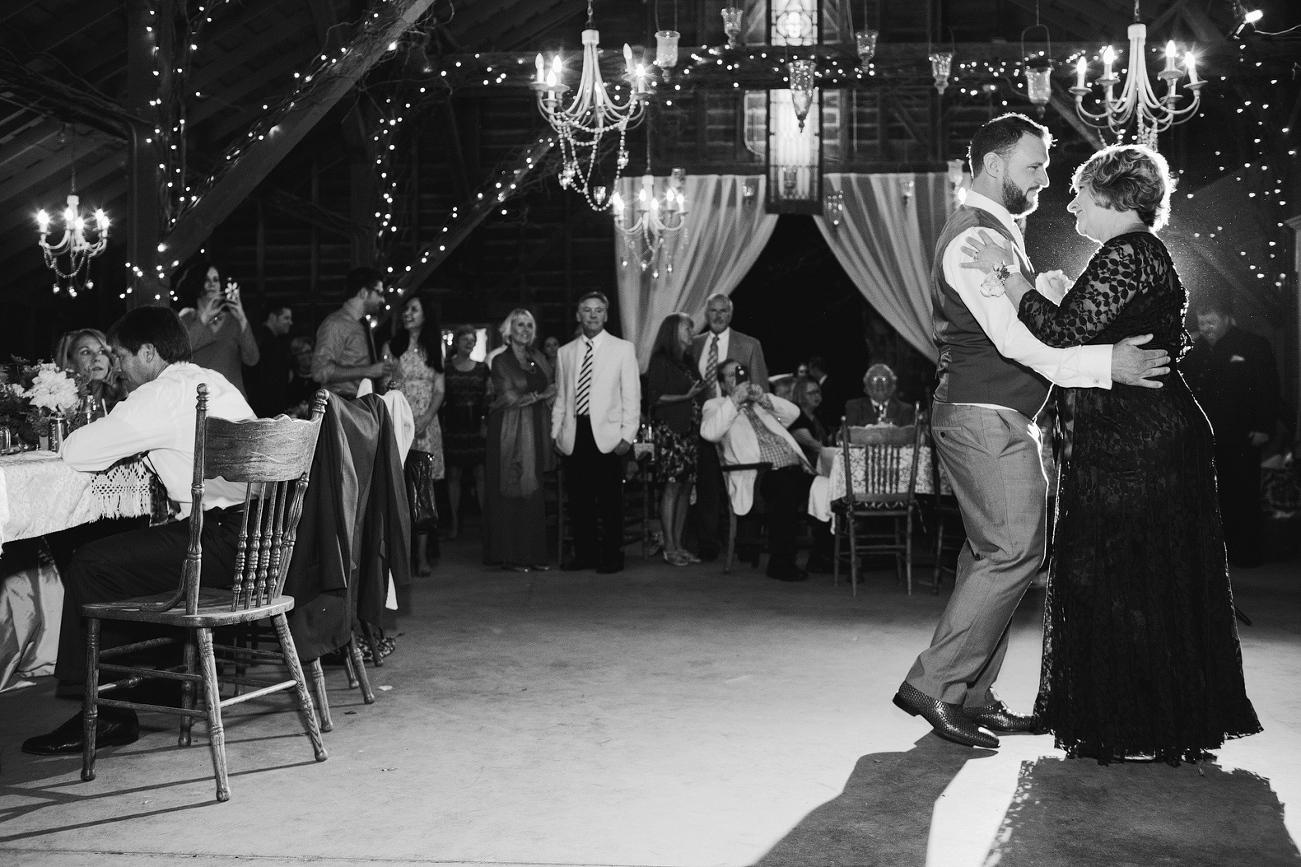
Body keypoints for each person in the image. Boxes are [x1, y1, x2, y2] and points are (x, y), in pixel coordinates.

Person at [961, 143, 1262, 764]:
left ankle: (1134, 723)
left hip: (1137, 443)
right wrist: (1063, 293)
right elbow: (1112, 326)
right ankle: (1156, 716)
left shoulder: (1126, 253)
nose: (1069, 203)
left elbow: (1063, 332)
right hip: (1141, 434)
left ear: (1112, 199)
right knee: (1140, 575)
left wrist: (1008, 273)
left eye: (1079, 193)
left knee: (1122, 576)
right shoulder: (1135, 255)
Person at [892, 113, 1174, 751]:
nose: (1047, 179)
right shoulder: (973, 238)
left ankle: (969, 693)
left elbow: (1023, 320)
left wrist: (1039, 289)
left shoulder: (997, 233)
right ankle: (935, 686)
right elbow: (1018, 343)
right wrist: (1110, 364)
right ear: (993, 165)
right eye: (1034, 166)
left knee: (987, 555)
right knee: (1016, 551)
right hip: (982, 415)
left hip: (994, 414)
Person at [22, 307, 256, 756]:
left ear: (148, 353)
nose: (120, 368)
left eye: (122, 356)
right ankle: (161, 682)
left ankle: (107, 713)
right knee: (126, 554)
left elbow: (77, 451)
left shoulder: (161, 395)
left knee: (91, 563)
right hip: (258, 543)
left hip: (218, 542)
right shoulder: (215, 382)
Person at [701, 360, 827, 582]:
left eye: (741, 375)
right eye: (732, 376)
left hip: (794, 469)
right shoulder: (716, 405)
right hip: (759, 475)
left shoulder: (761, 406)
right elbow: (710, 433)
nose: (738, 380)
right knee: (784, 490)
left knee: (828, 487)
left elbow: (794, 413)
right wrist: (735, 400)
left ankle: (821, 557)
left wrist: (763, 398)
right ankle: (781, 563)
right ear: (722, 384)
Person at [1184, 295, 1281, 567]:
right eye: (1202, 322)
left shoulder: (1253, 345)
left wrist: (1264, 427)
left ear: (1227, 319)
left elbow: (1268, 390)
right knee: (1207, 496)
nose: (1206, 327)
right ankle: (1213, 556)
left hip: (1241, 435)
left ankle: (1246, 554)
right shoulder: (1195, 348)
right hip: (1203, 436)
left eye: (1211, 321)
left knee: (1242, 495)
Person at [552, 292, 640, 574]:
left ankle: (613, 555)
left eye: (598, 310)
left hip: (609, 435)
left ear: (606, 315)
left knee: (610, 500)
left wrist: (628, 434)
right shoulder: (565, 352)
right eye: (587, 310)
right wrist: (556, 433)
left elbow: (632, 396)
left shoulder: (623, 349)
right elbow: (562, 398)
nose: (592, 315)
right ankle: (585, 555)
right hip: (574, 432)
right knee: (579, 500)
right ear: (578, 315)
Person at [692, 293, 770, 562]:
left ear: (731, 313)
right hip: (706, 423)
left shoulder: (748, 345)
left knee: (746, 481)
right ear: (706, 314)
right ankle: (708, 544)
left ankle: (747, 544)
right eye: (712, 311)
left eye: (723, 311)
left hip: (740, 424)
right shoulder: (694, 344)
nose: (717, 316)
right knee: (707, 485)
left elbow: (760, 388)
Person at [484, 309, 555, 571]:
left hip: (535, 427)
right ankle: (511, 555)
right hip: (507, 431)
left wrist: (546, 395)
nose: (524, 330)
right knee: (511, 486)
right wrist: (541, 395)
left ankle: (532, 555)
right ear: (508, 330)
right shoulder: (500, 361)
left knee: (533, 490)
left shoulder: (538, 357)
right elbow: (509, 398)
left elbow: (553, 384)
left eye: (529, 325)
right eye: (519, 325)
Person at [383, 294, 446, 576]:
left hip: (426, 423)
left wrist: (426, 418)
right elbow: (385, 385)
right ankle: (398, 557)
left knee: (423, 492)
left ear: (425, 314)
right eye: (405, 309)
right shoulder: (391, 346)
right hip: (399, 420)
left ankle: (421, 557)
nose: (408, 313)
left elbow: (440, 388)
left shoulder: (434, 347)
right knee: (398, 490)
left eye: (414, 309)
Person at [644, 313, 706, 567]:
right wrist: (686, 396)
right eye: (686, 328)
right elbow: (654, 398)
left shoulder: (688, 361)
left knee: (686, 487)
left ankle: (679, 544)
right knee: (671, 486)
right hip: (670, 431)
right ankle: (668, 546)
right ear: (672, 331)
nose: (691, 332)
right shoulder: (661, 360)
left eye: (691, 328)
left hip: (689, 430)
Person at [176, 261, 260, 398]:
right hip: (198, 400)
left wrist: (242, 318)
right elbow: (180, 353)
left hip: (231, 400)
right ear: (194, 284)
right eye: (206, 280)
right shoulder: (185, 319)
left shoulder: (233, 320)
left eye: (216, 280)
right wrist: (204, 318)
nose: (212, 284)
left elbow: (252, 359)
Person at [312, 267, 394, 398]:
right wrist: (368, 371)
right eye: (379, 293)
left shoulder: (363, 324)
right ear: (363, 292)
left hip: (360, 405)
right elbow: (319, 371)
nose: (383, 300)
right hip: (343, 405)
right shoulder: (336, 324)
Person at [443, 325, 490, 540]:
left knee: (481, 474)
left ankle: (485, 523)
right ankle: (454, 523)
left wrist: (485, 423)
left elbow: (489, 398)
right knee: (454, 475)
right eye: (465, 339)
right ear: (456, 342)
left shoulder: (482, 368)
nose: (469, 343)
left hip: (475, 426)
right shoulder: (446, 368)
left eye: (473, 340)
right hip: (453, 425)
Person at [53, 328, 127, 413]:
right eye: (86, 352)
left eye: (102, 352)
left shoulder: (122, 401)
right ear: (70, 362)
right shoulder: (57, 406)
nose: (96, 358)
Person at [244, 305, 294, 417]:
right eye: (286, 318)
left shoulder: (263, 338)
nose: (290, 322)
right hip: (266, 408)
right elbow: (270, 378)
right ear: (272, 317)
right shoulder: (268, 342)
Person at [843, 364, 916, 428]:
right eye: (874, 379)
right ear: (867, 386)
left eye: (884, 379)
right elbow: (848, 436)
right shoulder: (854, 407)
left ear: (892, 385)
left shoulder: (904, 409)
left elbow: (909, 438)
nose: (879, 384)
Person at [787, 376, 828, 465]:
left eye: (817, 392)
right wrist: (832, 453)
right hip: (804, 465)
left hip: (820, 461)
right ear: (800, 395)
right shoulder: (796, 416)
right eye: (811, 393)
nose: (816, 396)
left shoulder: (818, 414)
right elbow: (809, 442)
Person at [285, 336, 318, 418]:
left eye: (308, 351)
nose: (306, 356)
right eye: (301, 353)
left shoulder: (320, 376)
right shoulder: (290, 374)